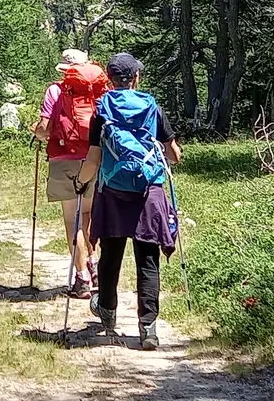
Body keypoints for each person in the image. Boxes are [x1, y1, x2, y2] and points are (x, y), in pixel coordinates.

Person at [73, 51, 180, 349]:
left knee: (111, 255)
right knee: (148, 259)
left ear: (109, 79)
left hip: (114, 191)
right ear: (135, 78)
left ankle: (107, 312)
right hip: (150, 191)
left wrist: (81, 182)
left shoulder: (102, 109)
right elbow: (174, 154)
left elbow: (93, 158)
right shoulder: (151, 106)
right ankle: (148, 329)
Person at [32, 48, 103, 296]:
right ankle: (95, 266)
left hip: (64, 159)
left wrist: (36, 131)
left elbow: (44, 129)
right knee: (89, 215)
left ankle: (82, 277)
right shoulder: (98, 91)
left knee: (71, 220)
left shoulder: (55, 91)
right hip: (95, 157)